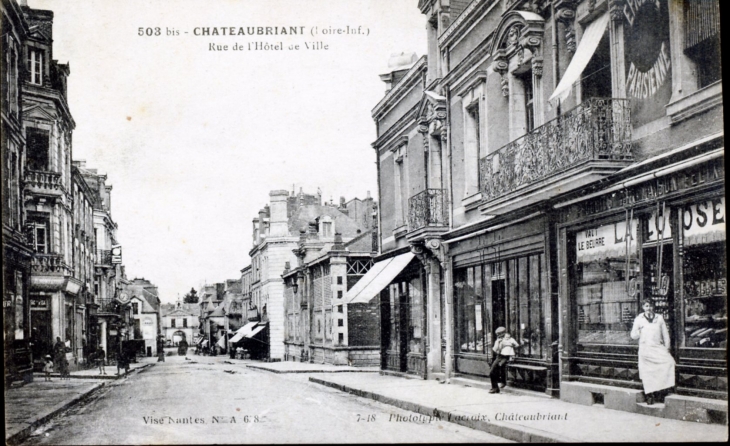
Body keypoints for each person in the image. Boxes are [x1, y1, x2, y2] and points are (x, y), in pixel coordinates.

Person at [631, 299, 675, 405]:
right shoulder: (639, 319)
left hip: (658, 348)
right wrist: (639, 331)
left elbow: (665, 334)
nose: (649, 308)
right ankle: (650, 395)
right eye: (646, 306)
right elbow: (632, 335)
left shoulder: (659, 318)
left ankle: (661, 392)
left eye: (650, 306)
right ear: (643, 307)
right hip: (645, 350)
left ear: (653, 307)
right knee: (648, 373)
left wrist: (667, 348)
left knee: (669, 363)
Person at [488, 326, 521, 394]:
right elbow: (494, 349)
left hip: (507, 357)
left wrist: (510, 347)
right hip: (499, 356)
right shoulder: (498, 340)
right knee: (491, 372)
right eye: (498, 335)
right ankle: (495, 387)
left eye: (500, 334)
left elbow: (517, 345)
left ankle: (503, 382)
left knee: (501, 366)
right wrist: (497, 343)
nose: (499, 336)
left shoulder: (510, 339)